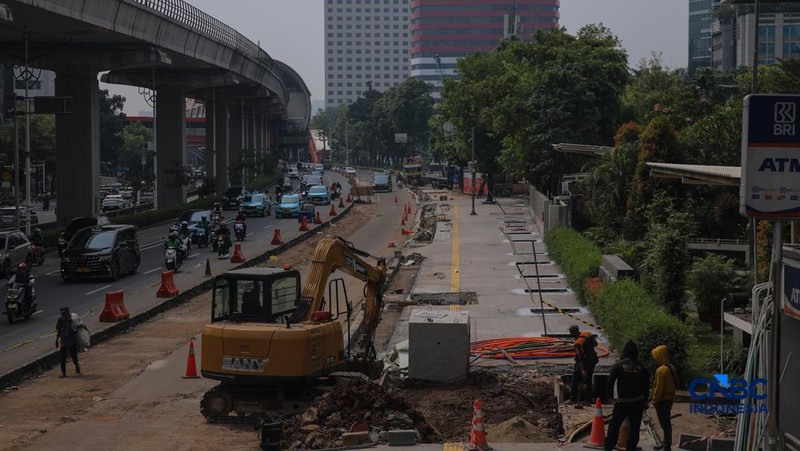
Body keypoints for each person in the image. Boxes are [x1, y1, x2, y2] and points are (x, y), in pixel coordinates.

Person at [605, 341, 649, 451]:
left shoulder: (618, 365)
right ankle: (631, 448)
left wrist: (610, 397)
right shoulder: (642, 367)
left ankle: (608, 447)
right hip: (637, 402)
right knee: (635, 428)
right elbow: (646, 386)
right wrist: (645, 401)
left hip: (622, 402)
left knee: (614, 426)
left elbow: (610, 382)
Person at [651, 345, 678, 450]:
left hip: (662, 400)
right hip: (669, 398)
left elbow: (659, 388)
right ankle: (665, 443)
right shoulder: (670, 366)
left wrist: (655, 400)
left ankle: (667, 446)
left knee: (664, 423)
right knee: (666, 422)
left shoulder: (661, 370)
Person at [569, 324, 599, 405]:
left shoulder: (578, 343)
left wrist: (582, 370)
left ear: (574, 332)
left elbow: (580, 357)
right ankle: (588, 400)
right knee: (588, 380)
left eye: (571, 333)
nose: (571, 335)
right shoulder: (588, 334)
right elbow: (595, 344)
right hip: (593, 360)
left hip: (585, 363)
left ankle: (573, 399)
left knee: (575, 380)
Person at [55, 307, 80, 378]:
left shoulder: (73, 320)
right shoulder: (60, 320)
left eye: (64, 313)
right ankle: (63, 372)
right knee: (62, 357)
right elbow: (58, 331)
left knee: (73, 355)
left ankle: (76, 365)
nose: (63, 315)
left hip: (72, 340)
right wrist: (57, 340)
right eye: (62, 314)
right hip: (64, 341)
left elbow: (78, 328)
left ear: (68, 313)